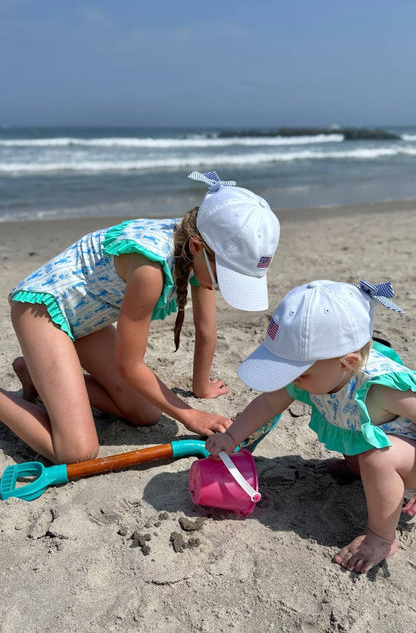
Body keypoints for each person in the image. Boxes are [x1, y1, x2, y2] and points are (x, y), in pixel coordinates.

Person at [0, 171, 280, 465]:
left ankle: (37, 375)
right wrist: (190, 414)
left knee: (146, 414)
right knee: (76, 451)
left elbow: (206, 329)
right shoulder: (150, 269)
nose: (224, 286)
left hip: (86, 320)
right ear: (198, 247)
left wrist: (201, 386)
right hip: (43, 310)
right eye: (228, 276)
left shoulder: (196, 246)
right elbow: (129, 364)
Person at [206, 279, 416, 574]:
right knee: (367, 455)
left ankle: (382, 536)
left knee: (378, 458)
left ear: (347, 362)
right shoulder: (318, 375)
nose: (292, 381)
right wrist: (232, 436)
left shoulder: (379, 388)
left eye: (298, 374)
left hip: (409, 457)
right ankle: (360, 471)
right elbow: (268, 403)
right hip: (381, 440)